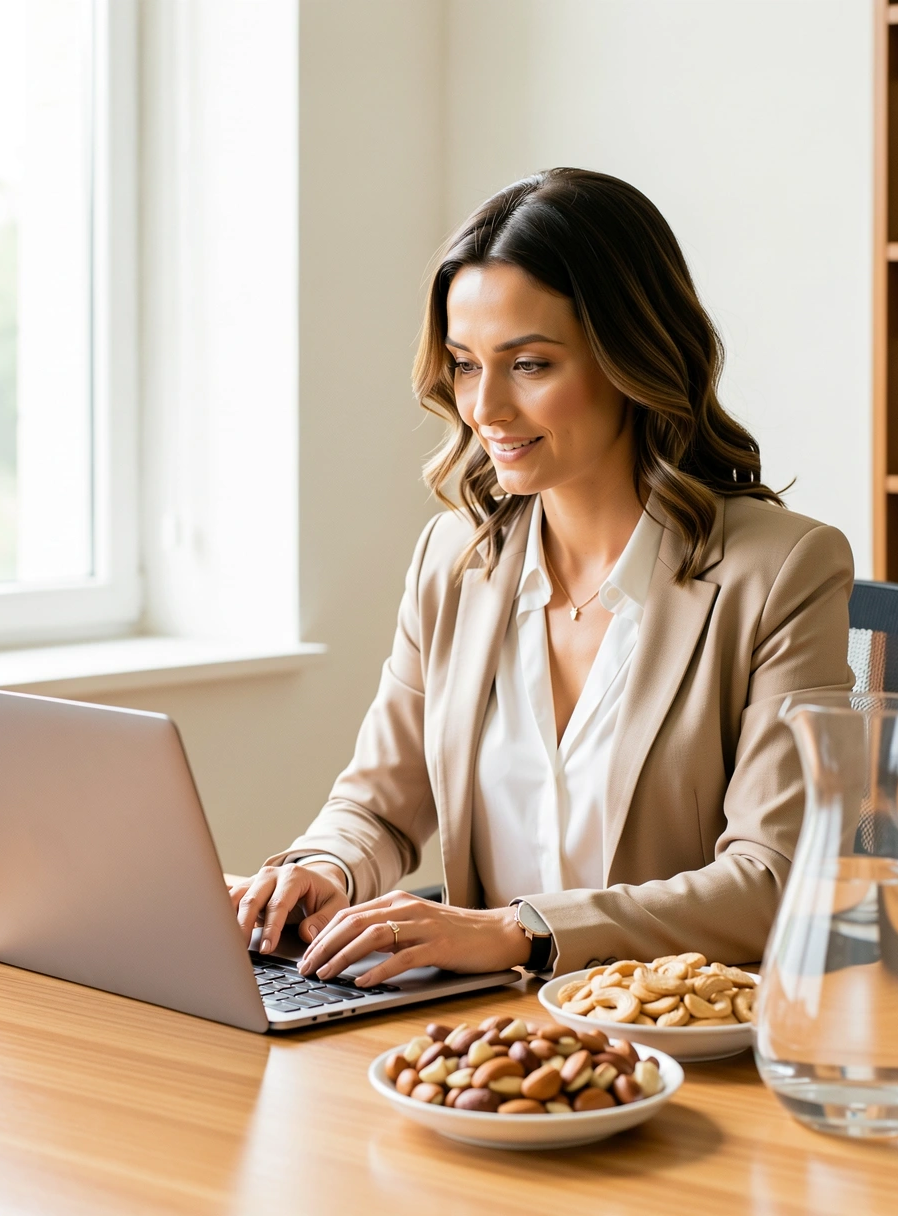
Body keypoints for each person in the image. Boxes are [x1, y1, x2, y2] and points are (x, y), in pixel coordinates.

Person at [230, 168, 853, 988]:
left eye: (528, 365)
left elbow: (772, 881)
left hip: (680, 1041)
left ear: (633, 357)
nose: (485, 407)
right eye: (463, 365)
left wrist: (520, 931)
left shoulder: (780, 571)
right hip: (490, 1039)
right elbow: (379, 805)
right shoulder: (452, 561)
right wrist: (323, 868)